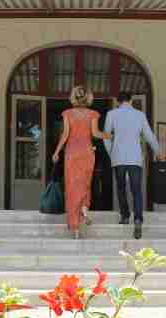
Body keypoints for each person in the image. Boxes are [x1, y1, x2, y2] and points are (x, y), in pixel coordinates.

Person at [52, 86, 112, 239]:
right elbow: (95, 134)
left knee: (72, 186)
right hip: (87, 152)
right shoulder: (93, 114)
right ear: (88, 98)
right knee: (85, 183)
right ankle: (84, 207)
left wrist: (57, 151)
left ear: (74, 97)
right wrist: (110, 135)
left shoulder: (67, 114)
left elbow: (65, 135)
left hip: (72, 153)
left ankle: (75, 228)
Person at [104, 92, 162, 239]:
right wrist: (158, 151)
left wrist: (111, 152)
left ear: (118, 102)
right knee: (136, 190)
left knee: (121, 188)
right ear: (130, 101)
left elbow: (106, 137)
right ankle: (137, 219)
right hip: (135, 158)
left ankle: (124, 216)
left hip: (118, 158)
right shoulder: (140, 115)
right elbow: (149, 135)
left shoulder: (112, 114)